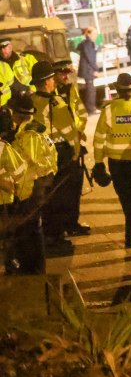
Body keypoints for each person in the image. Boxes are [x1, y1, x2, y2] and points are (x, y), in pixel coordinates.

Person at [93, 73, 131, 249]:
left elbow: (98, 139)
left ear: (117, 89)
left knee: (128, 200)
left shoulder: (109, 110)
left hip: (117, 163)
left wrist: (99, 163)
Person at [31, 61, 85, 249]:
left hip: (40, 156)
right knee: (61, 198)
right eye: (52, 79)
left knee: (46, 199)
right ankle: (56, 238)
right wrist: (76, 153)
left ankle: (49, 234)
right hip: (61, 156)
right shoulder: (55, 102)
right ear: (47, 82)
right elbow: (70, 133)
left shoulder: (31, 100)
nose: (54, 82)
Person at [5, 96, 49, 274]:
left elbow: (20, 166)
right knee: (33, 229)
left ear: (17, 114)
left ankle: (32, 268)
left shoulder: (23, 137)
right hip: (39, 186)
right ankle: (35, 267)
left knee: (27, 230)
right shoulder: (39, 131)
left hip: (26, 189)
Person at [53, 59, 90, 236]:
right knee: (60, 191)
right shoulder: (49, 94)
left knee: (75, 187)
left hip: (74, 144)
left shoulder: (71, 89)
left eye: (68, 73)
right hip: (58, 148)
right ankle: (59, 227)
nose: (66, 76)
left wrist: (78, 131)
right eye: (62, 73)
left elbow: (81, 112)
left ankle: (72, 223)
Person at [77, 27, 99, 114]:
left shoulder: (86, 43)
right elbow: (90, 58)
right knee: (91, 90)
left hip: (88, 69)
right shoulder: (88, 44)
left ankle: (89, 108)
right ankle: (91, 109)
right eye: (94, 34)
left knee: (90, 89)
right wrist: (96, 69)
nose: (96, 36)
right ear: (89, 34)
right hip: (88, 70)